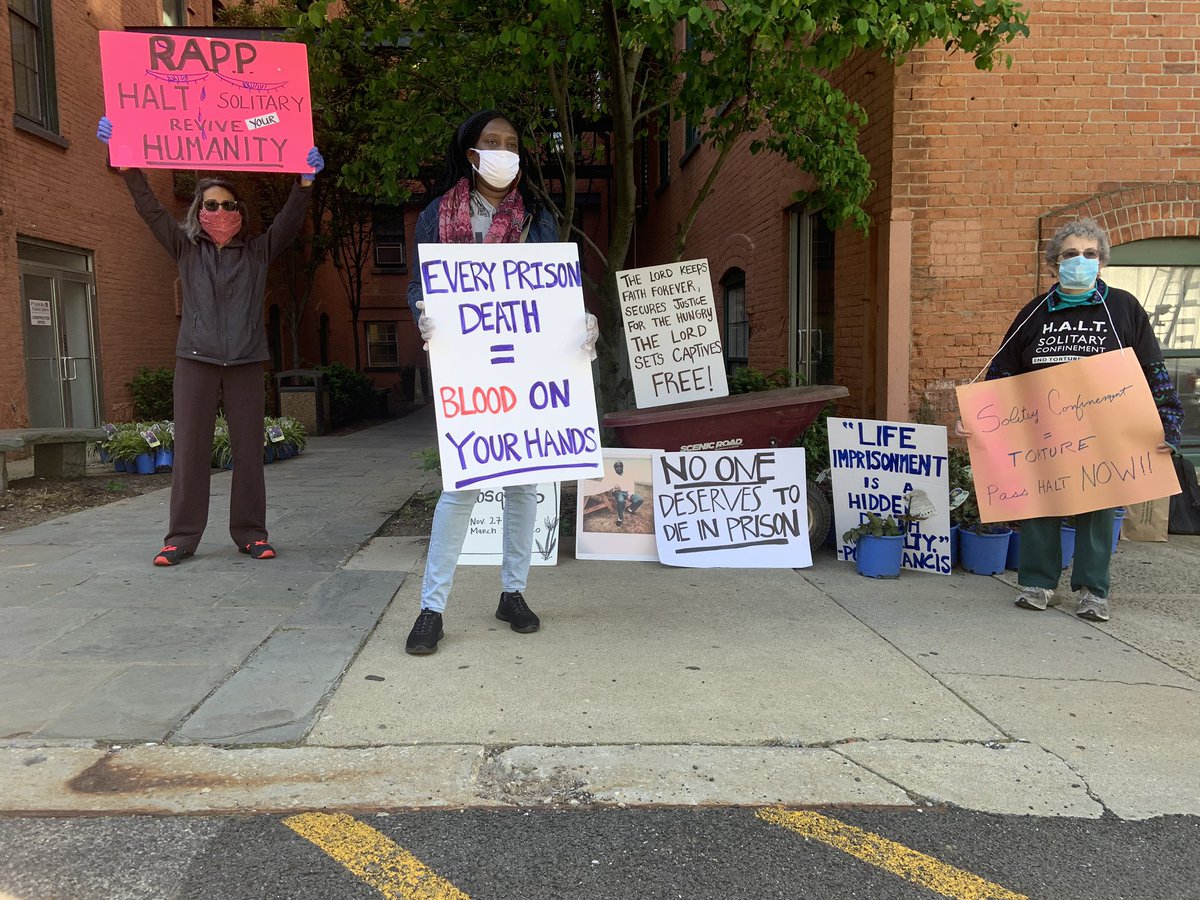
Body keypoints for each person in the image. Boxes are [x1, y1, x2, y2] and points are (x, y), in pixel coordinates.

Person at [404, 109, 599, 655]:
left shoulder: (536, 218)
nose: (503, 150)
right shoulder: (434, 217)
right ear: (472, 154)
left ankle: (513, 593)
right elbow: (418, 286)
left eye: (511, 142)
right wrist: (423, 310)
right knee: (459, 488)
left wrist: (580, 322)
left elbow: (557, 290)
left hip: (527, 371)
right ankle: (431, 608)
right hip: (466, 371)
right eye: (492, 141)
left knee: (524, 485)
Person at [96, 115, 324, 567]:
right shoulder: (185, 249)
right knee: (191, 452)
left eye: (228, 205)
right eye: (212, 205)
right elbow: (150, 210)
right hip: (195, 361)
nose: (221, 213)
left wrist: (303, 184)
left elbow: (289, 223)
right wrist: (127, 164)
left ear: (239, 212)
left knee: (248, 452)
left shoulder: (257, 252)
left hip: (244, 361)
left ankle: (250, 533)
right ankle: (180, 538)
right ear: (199, 212)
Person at [958, 218, 1183, 622]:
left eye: (1090, 254)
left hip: (1105, 433)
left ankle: (1093, 591)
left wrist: (1168, 423)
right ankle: (1038, 584)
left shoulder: (1123, 307)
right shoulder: (1033, 314)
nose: (1080, 261)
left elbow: (1154, 371)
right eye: (1070, 254)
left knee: (1098, 512)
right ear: (1053, 264)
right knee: (1040, 505)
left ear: (1102, 262)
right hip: (1043, 432)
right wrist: (978, 419)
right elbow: (1001, 373)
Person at [608, 460, 643, 526]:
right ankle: (620, 518)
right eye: (617, 467)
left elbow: (631, 485)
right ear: (614, 468)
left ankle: (630, 509)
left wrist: (630, 493)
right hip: (618, 493)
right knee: (621, 501)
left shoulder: (628, 475)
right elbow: (608, 486)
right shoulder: (612, 476)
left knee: (640, 499)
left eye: (620, 466)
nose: (618, 468)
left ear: (622, 467)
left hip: (627, 492)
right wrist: (613, 488)